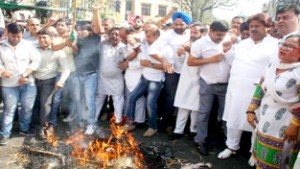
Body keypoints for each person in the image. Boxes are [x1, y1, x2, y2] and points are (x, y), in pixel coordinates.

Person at [218, 13, 279, 159]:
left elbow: (276, 68)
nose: (253, 29)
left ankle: (254, 152)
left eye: (257, 26)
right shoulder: (241, 44)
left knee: (256, 121)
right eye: (251, 26)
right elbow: (229, 61)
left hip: (257, 91)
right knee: (233, 118)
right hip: (236, 88)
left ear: (267, 27)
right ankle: (231, 146)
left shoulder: (275, 45)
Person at [247, 34, 300, 168]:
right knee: (261, 157)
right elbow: (261, 87)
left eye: (290, 46)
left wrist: (294, 125)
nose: (284, 48)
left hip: (286, 125)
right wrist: (251, 110)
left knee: (279, 159)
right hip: (265, 119)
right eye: (283, 44)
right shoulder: (273, 65)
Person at [188, 20, 234, 155]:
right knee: (204, 113)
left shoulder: (228, 41)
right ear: (210, 31)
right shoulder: (200, 44)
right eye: (218, 35)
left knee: (226, 115)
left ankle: (229, 144)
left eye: (223, 35)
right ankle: (200, 140)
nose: (220, 38)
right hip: (207, 83)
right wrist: (210, 59)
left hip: (226, 85)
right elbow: (190, 62)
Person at [0, 23, 41, 145]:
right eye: (13, 36)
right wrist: (1, 71)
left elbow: (36, 61)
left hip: (28, 82)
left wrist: (25, 74)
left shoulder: (28, 45)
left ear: (22, 34)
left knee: (27, 108)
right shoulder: (1, 46)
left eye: (19, 36)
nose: (16, 39)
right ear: (7, 33)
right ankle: (5, 134)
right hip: (9, 84)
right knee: (9, 109)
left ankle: (24, 129)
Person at [34, 30, 70, 138]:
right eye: (40, 38)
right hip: (32, 81)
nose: (42, 40)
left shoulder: (58, 52)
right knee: (33, 105)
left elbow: (66, 69)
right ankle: (32, 125)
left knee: (45, 105)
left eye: (45, 37)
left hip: (48, 82)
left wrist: (61, 81)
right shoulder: (32, 49)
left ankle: (43, 127)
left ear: (51, 39)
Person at [169, 23, 202, 140]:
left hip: (198, 78)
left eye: (195, 33)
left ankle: (193, 130)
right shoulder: (186, 43)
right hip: (186, 77)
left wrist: (190, 50)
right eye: (191, 32)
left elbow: (201, 60)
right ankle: (178, 130)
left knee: (195, 108)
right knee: (182, 105)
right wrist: (180, 53)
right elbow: (183, 60)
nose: (193, 35)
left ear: (201, 33)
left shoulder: (204, 46)